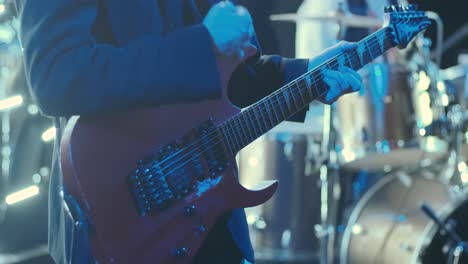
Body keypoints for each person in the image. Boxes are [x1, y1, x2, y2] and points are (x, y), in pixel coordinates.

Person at [14, 0, 363, 263]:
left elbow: (219, 70)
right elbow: (57, 76)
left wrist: (303, 76)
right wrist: (204, 43)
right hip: (119, 219)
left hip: (208, 213)